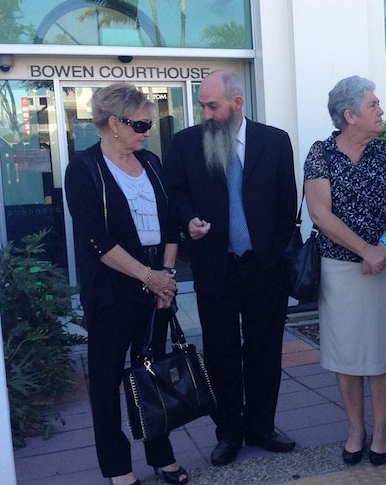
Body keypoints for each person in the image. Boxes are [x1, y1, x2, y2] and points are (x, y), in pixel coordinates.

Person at [162, 70, 298, 466]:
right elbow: (174, 194)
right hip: (214, 267)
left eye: (213, 105)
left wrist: (273, 254)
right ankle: (228, 433)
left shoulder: (275, 141)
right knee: (220, 353)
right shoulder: (187, 143)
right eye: (203, 105)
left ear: (237, 103)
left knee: (265, 350)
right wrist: (188, 221)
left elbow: (285, 202)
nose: (206, 112)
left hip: (263, 267)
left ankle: (261, 426)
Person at [65, 83, 187, 485]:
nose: (147, 131)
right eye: (139, 124)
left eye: (149, 124)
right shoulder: (84, 169)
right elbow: (96, 240)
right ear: (113, 123)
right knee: (105, 380)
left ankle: (161, 454)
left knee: (152, 372)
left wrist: (166, 277)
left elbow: (170, 223)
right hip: (112, 290)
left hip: (156, 286)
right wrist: (149, 277)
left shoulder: (150, 161)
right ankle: (118, 468)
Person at [304, 75, 386, 467]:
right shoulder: (320, 153)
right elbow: (320, 213)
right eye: (373, 105)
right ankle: (356, 430)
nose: (381, 110)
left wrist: (382, 247)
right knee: (347, 354)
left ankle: (381, 431)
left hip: (384, 268)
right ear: (350, 115)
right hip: (340, 270)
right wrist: (365, 250)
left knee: (383, 352)